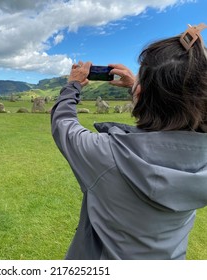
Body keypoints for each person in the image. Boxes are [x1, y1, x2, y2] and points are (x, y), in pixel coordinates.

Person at [50, 23, 207, 259]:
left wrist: (72, 86)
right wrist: (138, 86)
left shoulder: (106, 155)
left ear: (141, 93)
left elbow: (64, 125)